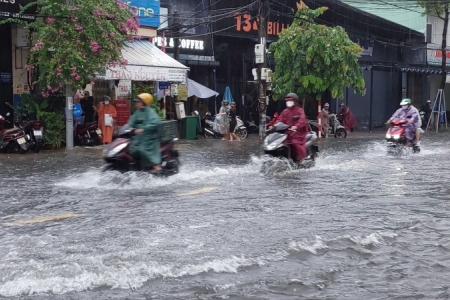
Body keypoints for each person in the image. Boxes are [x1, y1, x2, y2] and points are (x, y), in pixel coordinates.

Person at [127, 93, 162, 173]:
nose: (137, 103)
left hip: (149, 138)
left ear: (143, 102)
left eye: (138, 102)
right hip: (138, 138)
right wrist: (127, 128)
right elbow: (130, 122)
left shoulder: (150, 112)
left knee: (142, 149)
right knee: (131, 149)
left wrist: (143, 129)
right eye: (136, 102)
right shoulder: (137, 112)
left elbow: (155, 122)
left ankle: (156, 165)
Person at [277, 93, 309, 162]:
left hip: (298, 134)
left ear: (295, 102)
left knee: (294, 142)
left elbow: (302, 120)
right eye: (287, 101)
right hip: (287, 134)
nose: (289, 102)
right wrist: (273, 126)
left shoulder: (299, 110)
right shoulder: (285, 111)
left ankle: (300, 158)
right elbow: (279, 120)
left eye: (290, 101)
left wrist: (296, 126)